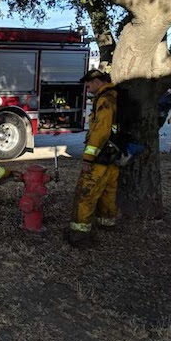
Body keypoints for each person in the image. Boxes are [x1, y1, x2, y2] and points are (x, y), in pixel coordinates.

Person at [68, 69, 119, 248]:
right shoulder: (116, 96)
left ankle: (79, 234)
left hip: (101, 156)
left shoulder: (105, 100)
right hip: (114, 155)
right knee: (108, 191)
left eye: (88, 85)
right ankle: (107, 223)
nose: (87, 88)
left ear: (97, 81)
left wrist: (88, 158)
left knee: (86, 192)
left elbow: (101, 131)